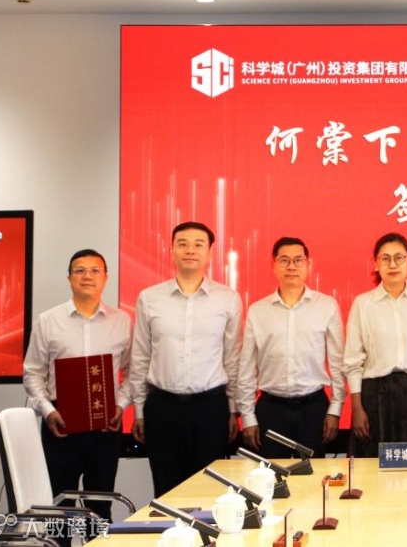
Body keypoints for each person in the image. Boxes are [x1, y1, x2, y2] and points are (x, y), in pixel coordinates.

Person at [128, 221, 243, 497]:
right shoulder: (149, 298)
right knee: (166, 492)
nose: (190, 250)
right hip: (162, 408)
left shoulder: (228, 299)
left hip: (210, 408)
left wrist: (233, 409)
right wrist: (140, 410)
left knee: (209, 493)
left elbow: (233, 359)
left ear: (210, 253)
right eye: (182, 244)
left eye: (198, 244)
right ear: (171, 251)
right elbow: (140, 357)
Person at [22, 249, 131, 521]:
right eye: (79, 270)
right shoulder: (48, 320)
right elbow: (32, 372)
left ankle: (97, 541)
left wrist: (121, 406)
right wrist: (47, 411)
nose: (87, 276)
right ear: (69, 278)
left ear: (105, 277)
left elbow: (134, 372)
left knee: (100, 506)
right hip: (60, 423)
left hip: (105, 425)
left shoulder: (122, 321)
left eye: (95, 270)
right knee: (60, 507)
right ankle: (59, 541)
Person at [237, 236, 345, 460]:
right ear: (273, 265)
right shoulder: (258, 311)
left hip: (313, 409)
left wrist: (335, 410)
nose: (292, 266)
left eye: (298, 260)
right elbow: (246, 368)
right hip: (271, 409)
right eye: (284, 260)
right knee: (271, 477)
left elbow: (338, 364)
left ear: (308, 264)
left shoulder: (326, 306)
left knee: (313, 477)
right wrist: (247, 417)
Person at [344, 233, 407, 458]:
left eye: (399, 257)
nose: (393, 264)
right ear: (376, 264)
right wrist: (357, 408)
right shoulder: (363, 304)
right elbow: (353, 361)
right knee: (373, 470)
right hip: (374, 397)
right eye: (385, 258)